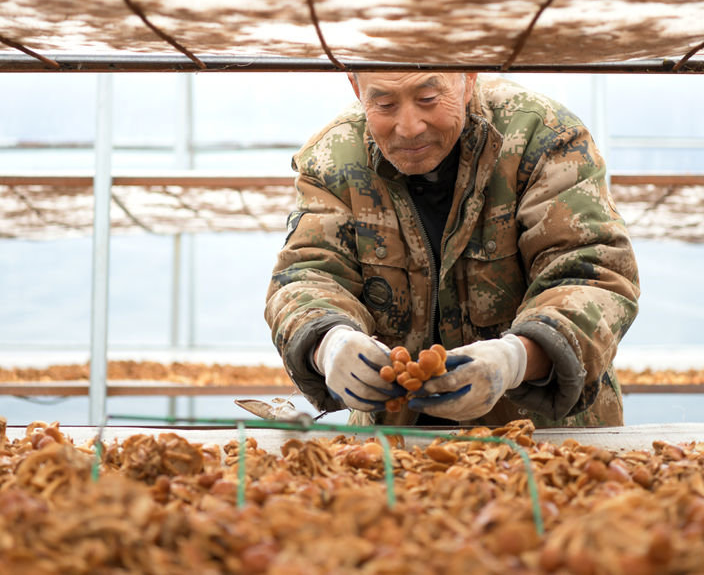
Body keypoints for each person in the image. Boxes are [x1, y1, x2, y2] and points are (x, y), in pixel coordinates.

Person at [265, 72, 639, 427]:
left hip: (543, 439)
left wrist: (518, 358)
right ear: (355, 86)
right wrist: (328, 341)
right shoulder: (335, 157)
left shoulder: (541, 137)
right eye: (384, 103)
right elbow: (308, 274)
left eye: (428, 98)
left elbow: (593, 271)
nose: (409, 127)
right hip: (395, 443)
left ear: (467, 78)